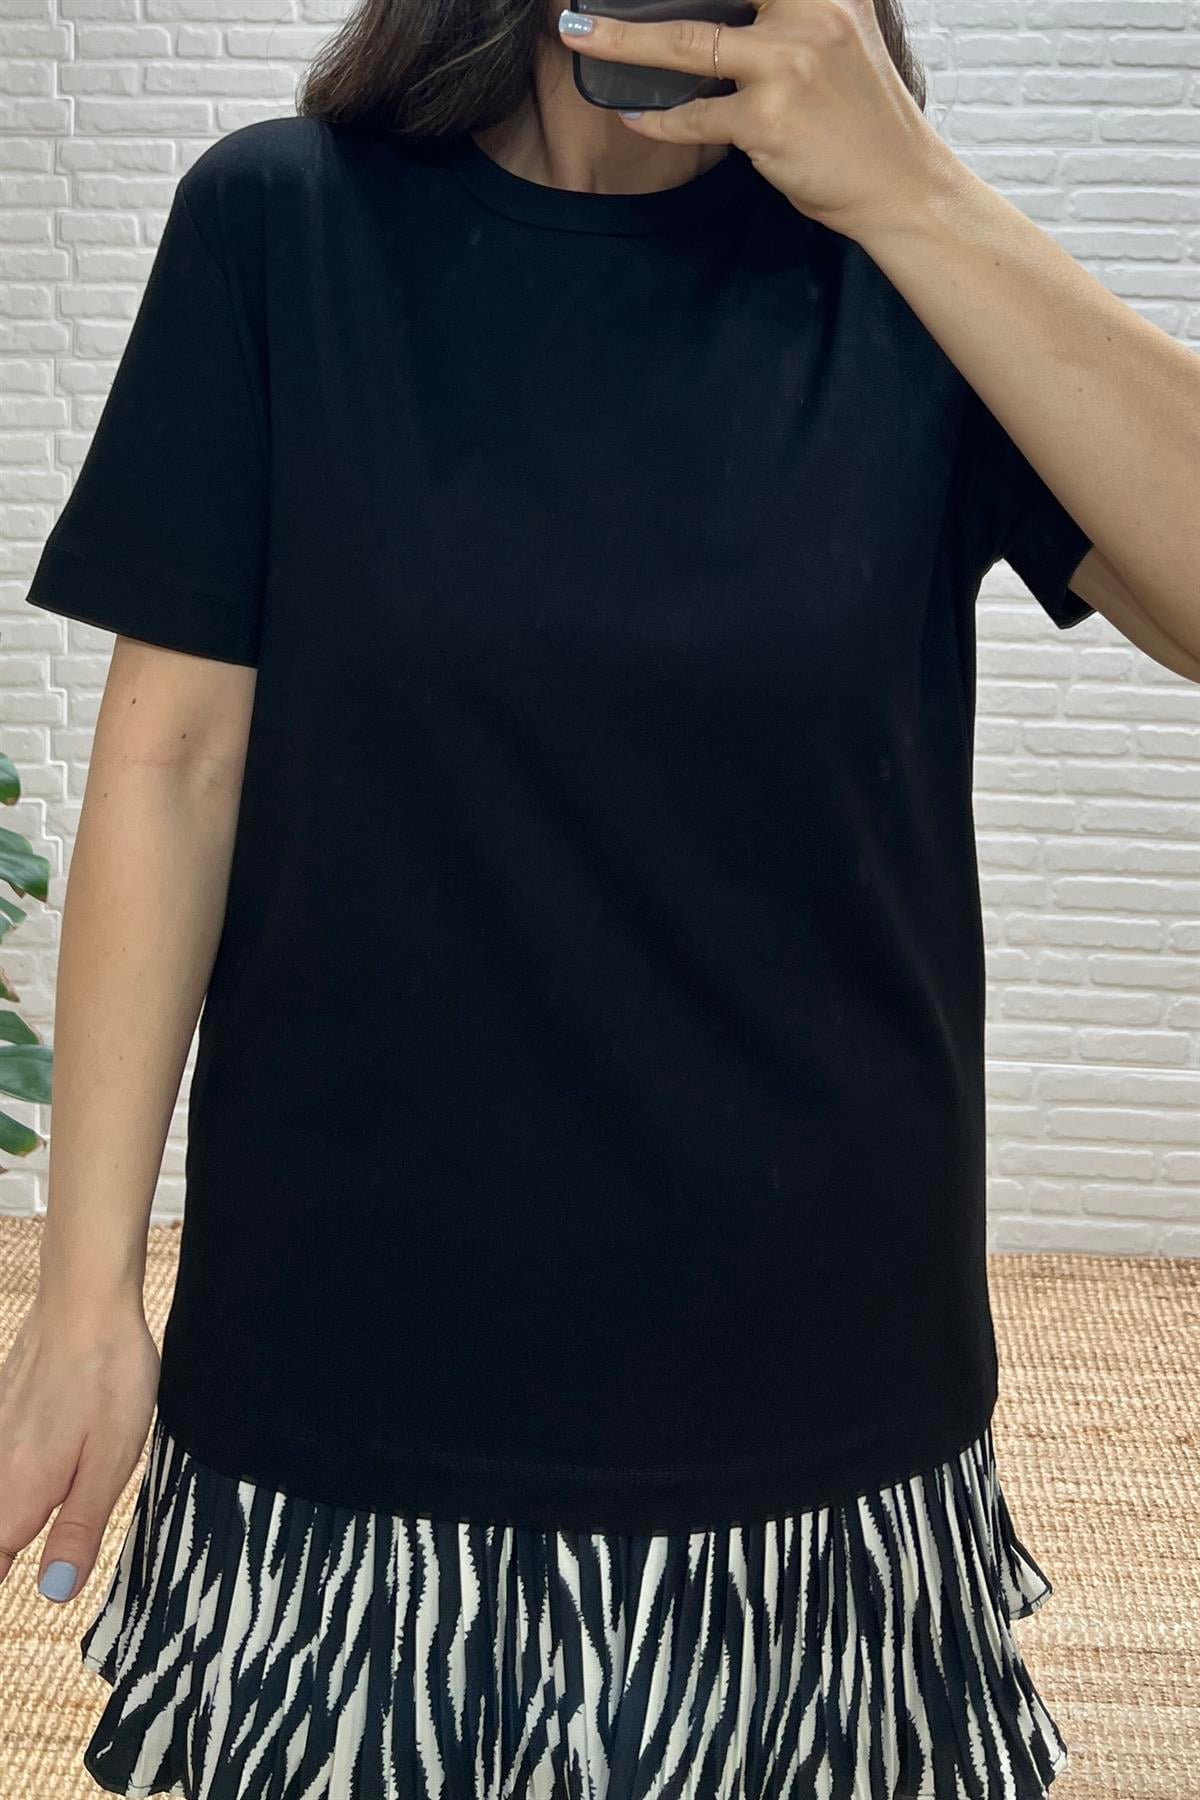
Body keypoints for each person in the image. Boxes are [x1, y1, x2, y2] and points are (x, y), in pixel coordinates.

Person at [0, 0, 1098, 1792]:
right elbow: (175, 761)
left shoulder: (899, 273)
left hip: (813, 1393)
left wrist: (915, 192)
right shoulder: (283, 227)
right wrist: (83, 1291)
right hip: (346, 1390)